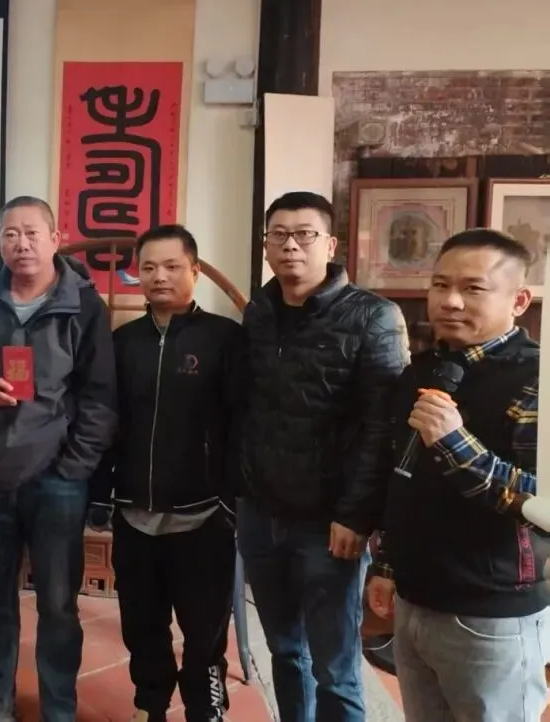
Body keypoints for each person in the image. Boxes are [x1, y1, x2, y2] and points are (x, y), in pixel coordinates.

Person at [0, 195, 118, 722]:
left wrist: (72, 467)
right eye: (10, 234)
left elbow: (100, 397)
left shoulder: (84, 305)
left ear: (55, 239)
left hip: (55, 480)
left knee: (58, 605)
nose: (21, 243)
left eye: (31, 233)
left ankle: (58, 709)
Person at [236, 191, 409, 722]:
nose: (290, 245)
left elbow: (383, 428)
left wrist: (356, 515)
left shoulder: (373, 316)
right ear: (266, 245)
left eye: (304, 234)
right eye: (278, 235)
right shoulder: (259, 312)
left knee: (335, 667)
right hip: (261, 514)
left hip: (328, 525)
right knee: (285, 651)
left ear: (330, 245)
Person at [366, 229, 549, 722]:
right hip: (415, 597)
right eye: (440, 284)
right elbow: (404, 478)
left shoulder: (538, 380)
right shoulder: (423, 369)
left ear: (519, 301)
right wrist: (387, 566)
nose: (450, 301)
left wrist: (453, 440)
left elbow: (542, 503)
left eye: (473, 288)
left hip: (491, 613)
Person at [88, 225, 240, 722]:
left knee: (204, 629)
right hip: (135, 513)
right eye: (148, 267)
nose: (159, 277)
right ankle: (149, 703)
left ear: (194, 272)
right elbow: (106, 422)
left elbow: (241, 425)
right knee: (141, 624)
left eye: (172, 266)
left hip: (204, 515)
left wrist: (231, 501)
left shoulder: (224, 338)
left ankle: (205, 707)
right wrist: (101, 492)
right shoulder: (123, 341)